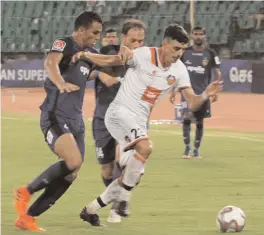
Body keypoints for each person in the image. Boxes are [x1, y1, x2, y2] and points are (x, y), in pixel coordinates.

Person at [75, 24, 223, 226]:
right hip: (119, 113)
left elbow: (193, 102)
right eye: (176, 48)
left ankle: (91, 209)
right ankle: (123, 202)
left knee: (132, 176)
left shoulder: (179, 70)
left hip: (138, 122)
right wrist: (86, 55)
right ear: (164, 44)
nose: (179, 54)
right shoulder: (143, 55)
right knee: (145, 147)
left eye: (182, 49)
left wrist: (206, 93)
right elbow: (115, 60)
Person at [13, 11, 131, 231]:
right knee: (74, 161)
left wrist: (126, 49)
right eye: (94, 32)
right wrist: (60, 83)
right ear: (81, 29)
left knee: (72, 173)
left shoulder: (90, 54)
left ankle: (28, 217)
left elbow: (114, 64)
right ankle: (26, 191)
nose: (97, 36)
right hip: (55, 114)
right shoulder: (64, 43)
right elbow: (50, 63)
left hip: (76, 121)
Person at [90, 19, 145, 223]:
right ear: (123, 39)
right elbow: (98, 76)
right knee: (106, 168)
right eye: (134, 40)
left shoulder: (144, 61)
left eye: (141, 41)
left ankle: (119, 202)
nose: (138, 45)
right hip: (103, 116)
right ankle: (115, 202)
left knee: (132, 169)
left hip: (128, 118)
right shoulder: (107, 56)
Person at [170, 27, 221, 159]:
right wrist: (173, 89)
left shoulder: (210, 53)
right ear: (192, 36)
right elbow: (174, 69)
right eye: (196, 34)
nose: (198, 36)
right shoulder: (184, 52)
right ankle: (187, 148)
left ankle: (196, 150)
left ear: (204, 36)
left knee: (199, 122)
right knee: (186, 118)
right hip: (187, 91)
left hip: (203, 93)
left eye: (201, 34)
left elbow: (217, 71)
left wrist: (216, 91)